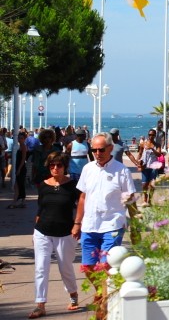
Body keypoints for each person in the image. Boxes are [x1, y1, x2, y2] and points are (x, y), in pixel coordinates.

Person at [74, 133, 136, 272]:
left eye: (101, 150)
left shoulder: (122, 171)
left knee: (105, 266)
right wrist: (77, 223)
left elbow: (130, 200)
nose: (97, 153)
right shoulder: (87, 169)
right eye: (94, 150)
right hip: (90, 225)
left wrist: (135, 227)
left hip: (112, 225)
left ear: (110, 148)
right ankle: (101, 293)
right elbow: (83, 197)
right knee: (88, 267)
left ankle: (105, 294)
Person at [30, 151, 80, 318]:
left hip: (65, 233)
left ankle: (73, 295)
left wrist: (77, 226)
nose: (55, 168)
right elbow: (40, 208)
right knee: (40, 268)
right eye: (52, 165)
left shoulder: (73, 185)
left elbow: (81, 206)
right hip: (42, 232)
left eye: (59, 165)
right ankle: (40, 304)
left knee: (65, 267)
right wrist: (35, 230)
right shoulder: (43, 185)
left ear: (64, 167)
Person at [136, 130, 162, 206]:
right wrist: (138, 162)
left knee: (152, 184)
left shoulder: (157, 145)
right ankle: (145, 198)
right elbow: (140, 153)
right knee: (144, 184)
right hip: (145, 166)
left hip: (154, 166)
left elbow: (159, 155)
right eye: (150, 134)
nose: (151, 136)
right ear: (148, 135)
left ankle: (149, 200)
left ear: (155, 136)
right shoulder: (143, 144)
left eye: (153, 135)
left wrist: (152, 148)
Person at [9, 131, 28, 208]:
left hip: (21, 168)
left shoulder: (23, 146)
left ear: (24, 139)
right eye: (19, 138)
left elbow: (23, 159)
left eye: (21, 138)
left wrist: (19, 169)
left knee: (18, 185)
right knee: (18, 185)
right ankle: (21, 201)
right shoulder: (20, 146)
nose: (20, 139)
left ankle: (15, 201)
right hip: (19, 167)